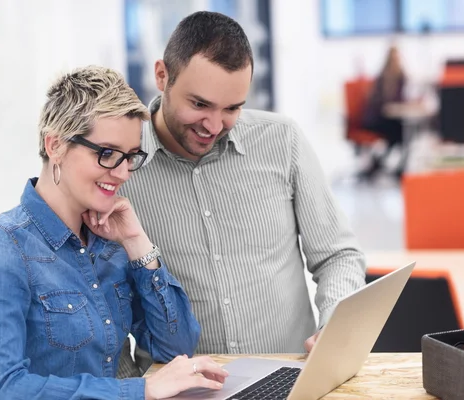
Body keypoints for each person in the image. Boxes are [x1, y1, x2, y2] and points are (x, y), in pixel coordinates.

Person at [117, 11, 366, 371]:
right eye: (199, 104)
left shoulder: (283, 141)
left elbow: (338, 255)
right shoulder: (119, 167)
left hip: (291, 378)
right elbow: (103, 312)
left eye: (232, 108)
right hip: (183, 389)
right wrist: (135, 390)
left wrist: (334, 324)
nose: (214, 125)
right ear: (162, 75)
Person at [0, 66, 228, 400]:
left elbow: (174, 347)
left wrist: (136, 242)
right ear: (55, 145)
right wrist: (140, 390)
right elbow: (3, 389)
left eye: (130, 157)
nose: (121, 173)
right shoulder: (0, 249)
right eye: (106, 154)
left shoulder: (110, 242)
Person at [361, 45, 408, 180]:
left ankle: (380, 164)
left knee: (401, 131)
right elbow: (383, 103)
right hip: (376, 119)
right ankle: (390, 167)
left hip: (390, 119)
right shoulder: (383, 78)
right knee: (400, 133)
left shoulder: (401, 76)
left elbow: (401, 98)